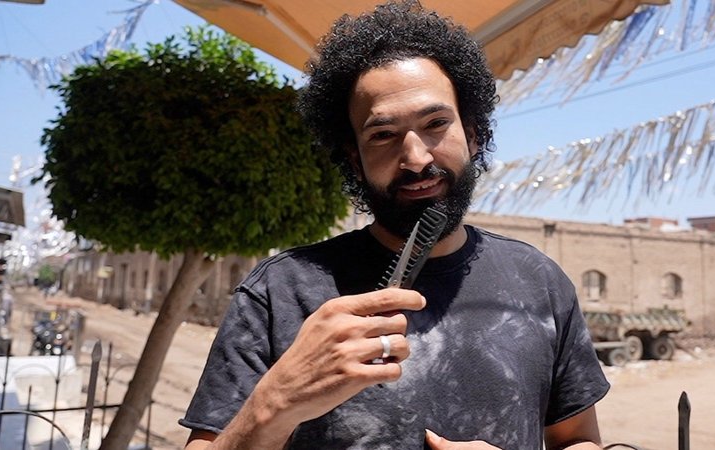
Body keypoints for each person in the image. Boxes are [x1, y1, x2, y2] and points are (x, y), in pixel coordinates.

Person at [181, 1, 609, 449]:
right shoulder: (280, 291)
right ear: (354, 157)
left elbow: (578, 440)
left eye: (436, 123)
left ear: (474, 133)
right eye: (382, 135)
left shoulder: (538, 280)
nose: (416, 158)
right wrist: (275, 402)